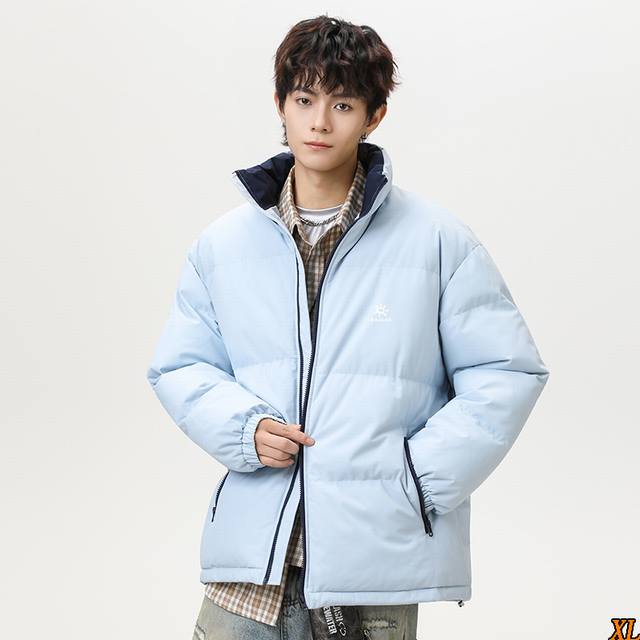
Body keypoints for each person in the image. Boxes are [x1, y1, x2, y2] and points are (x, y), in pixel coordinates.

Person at [146, 14, 550, 640]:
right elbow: (181, 365)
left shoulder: (438, 242)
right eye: (304, 100)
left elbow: (508, 372)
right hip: (253, 565)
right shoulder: (221, 247)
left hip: (375, 570)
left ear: (373, 116)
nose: (319, 122)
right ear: (279, 104)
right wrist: (243, 428)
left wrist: (414, 481)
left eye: (342, 104)